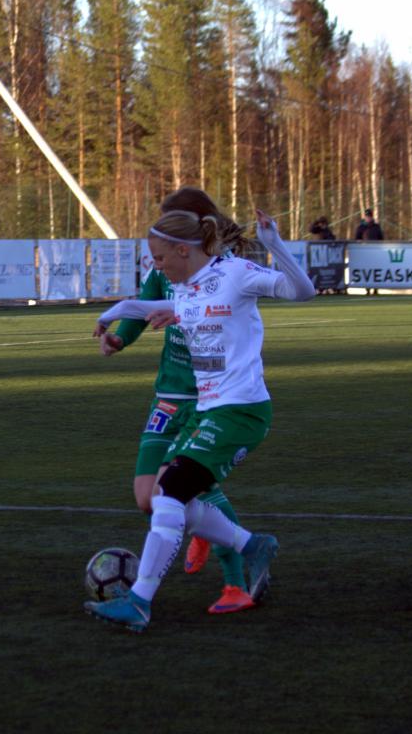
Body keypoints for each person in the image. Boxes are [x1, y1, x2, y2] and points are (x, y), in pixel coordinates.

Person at [84, 195, 315, 633]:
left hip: (240, 409)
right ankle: (252, 545)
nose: (156, 267)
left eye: (159, 258)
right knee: (167, 496)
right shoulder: (189, 287)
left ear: (182, 250)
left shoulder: (236, 273)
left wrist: (274, 244)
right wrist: (114, 313)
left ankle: (139, 602)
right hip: (208, 410)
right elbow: (156, 308)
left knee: (170, 492)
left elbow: (302, 291)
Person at [96, 188, 255, 616]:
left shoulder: (224, 270)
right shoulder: (164, 265)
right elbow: (142, 306)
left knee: (185, 486)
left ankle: (236, 584)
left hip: (210, 396)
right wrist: (119, 338)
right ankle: (198, 523)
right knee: (147, 498)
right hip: (169, 393)